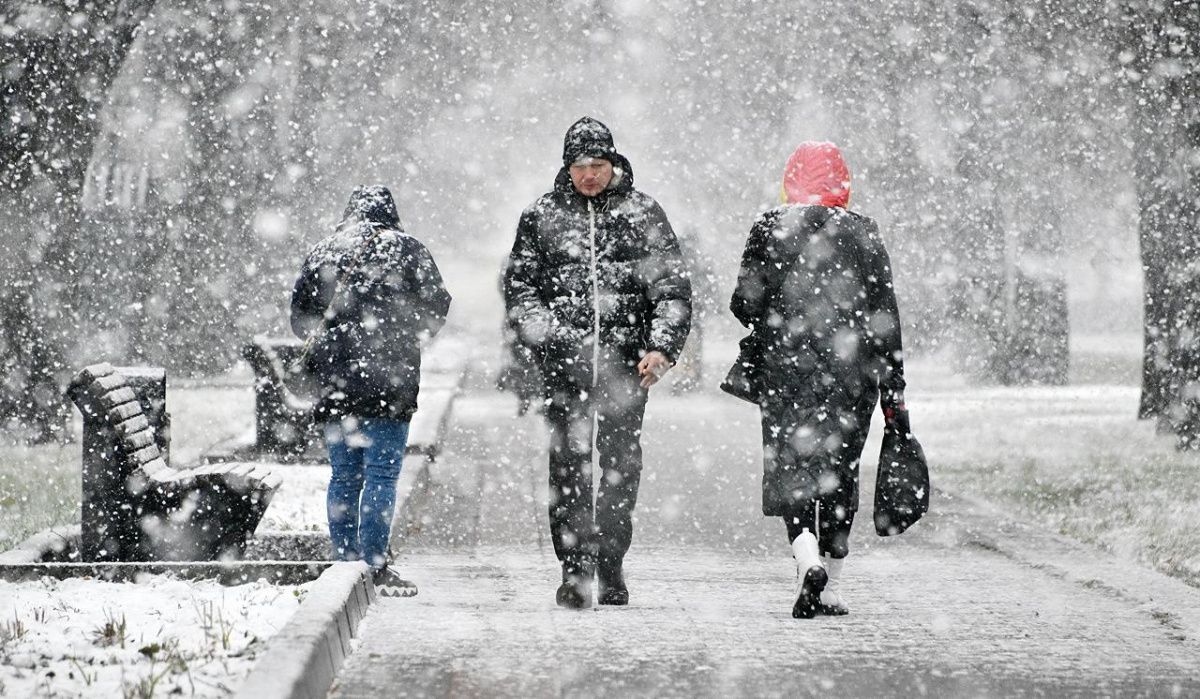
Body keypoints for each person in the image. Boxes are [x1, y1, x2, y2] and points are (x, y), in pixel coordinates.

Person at [504, 117, 692, 608]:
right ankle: (573, 569)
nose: (589, 175)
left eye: (598, 165)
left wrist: (661, 349)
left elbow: (670, 290)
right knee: (567, 469)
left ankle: (610, 563)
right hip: (562, 370)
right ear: (567, 168)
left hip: (626, 372)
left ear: (614, 164)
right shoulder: (541, 216)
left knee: (619, 471)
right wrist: (545, 334)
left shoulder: (643, 214)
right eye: (580, 166)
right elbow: (521, 290)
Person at [730, 142, 908, 618]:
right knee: (838, 474)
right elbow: (884, 315)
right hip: (851, 378)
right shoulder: (864, 231)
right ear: (843, 183)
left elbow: (743, 303)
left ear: (790, 181)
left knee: (794, 473)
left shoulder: (770, 227)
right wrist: (894, 388)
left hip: (786, 373)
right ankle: (832, 585)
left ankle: (806, 556)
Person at [291, 185, 451, 597]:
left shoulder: (324, 251)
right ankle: (375, 563)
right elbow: (438, 305)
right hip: (390, 382)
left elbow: (300, 318)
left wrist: (333, 347)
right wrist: (407, 339)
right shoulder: (409, 249)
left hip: (336, 386)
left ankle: (345, 561)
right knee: (381, 473)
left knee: (344, 475)